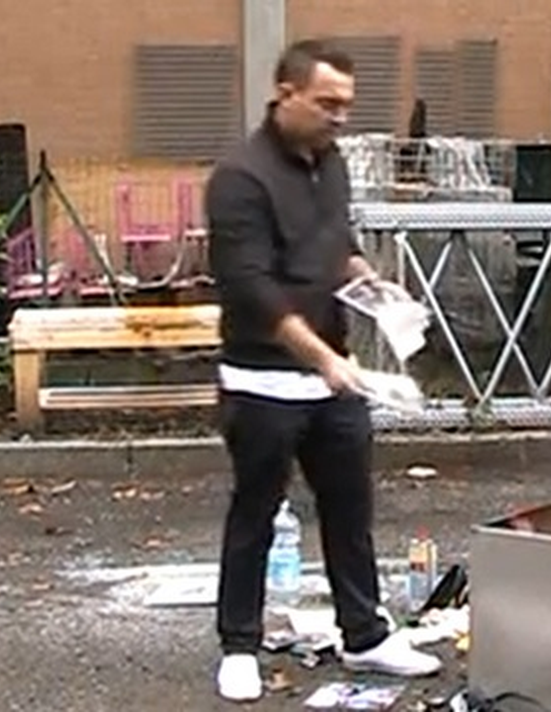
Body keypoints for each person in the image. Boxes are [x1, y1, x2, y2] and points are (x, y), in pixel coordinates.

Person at [205, 39, 443, 702]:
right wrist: (322, 358)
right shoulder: (239, 177)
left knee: (349, 506)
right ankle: (240, 645)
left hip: (335, 377)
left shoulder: (330, 163)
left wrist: (376, 289)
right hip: (261, 380)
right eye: (327, 103)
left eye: (346, 104)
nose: (340, 116)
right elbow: (251, 287)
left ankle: (364, 634)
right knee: (256, 510)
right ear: (286, 93)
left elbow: (336, 246)